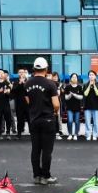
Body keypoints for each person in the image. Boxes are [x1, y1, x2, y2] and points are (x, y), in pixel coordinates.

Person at [25, 57, 60, 185]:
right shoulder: (50, 84)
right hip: (48, 120)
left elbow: (28, 101)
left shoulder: (27, 83)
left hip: (34, 119)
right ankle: (46, 176)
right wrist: (55, 112)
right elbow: (56, 104)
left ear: (34, 68)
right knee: (47, 150)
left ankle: (36, 176)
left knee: (35, 149)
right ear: (46, 69)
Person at [0, 69, 14, 139]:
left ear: (4, 74)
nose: (1, 74)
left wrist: (7, 91)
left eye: (2, 73)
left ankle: (8, 133)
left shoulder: (7, 82)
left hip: (6, 104)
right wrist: (0, 90)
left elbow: (9, 90)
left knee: (8, 119)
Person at [62, 73, 84, 140]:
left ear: (77, 79)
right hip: (69, 107)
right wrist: (70, 95)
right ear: (70, 78)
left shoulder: (79, 87)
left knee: (77, 121)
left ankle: (76, 134)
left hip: (77, 107)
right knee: (70, 121)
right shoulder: (67, 87)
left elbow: (81, 97)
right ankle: (70, 134)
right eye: (73, 77)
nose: (74, 78)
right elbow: (66, 98)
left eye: (75, 77)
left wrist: (75, 95)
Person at [83, 71, 98, 141]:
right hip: (87, 105)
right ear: (88, 76)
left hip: (96, 106)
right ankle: (88, 134)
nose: (91, 76)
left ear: (95, 76)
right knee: (87, 122)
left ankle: (95, 134)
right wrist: (89, 85)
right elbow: (85, 94)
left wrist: (94, 85)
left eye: (92, 75)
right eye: (90, 75)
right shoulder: (85, 84)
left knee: (96, 122)